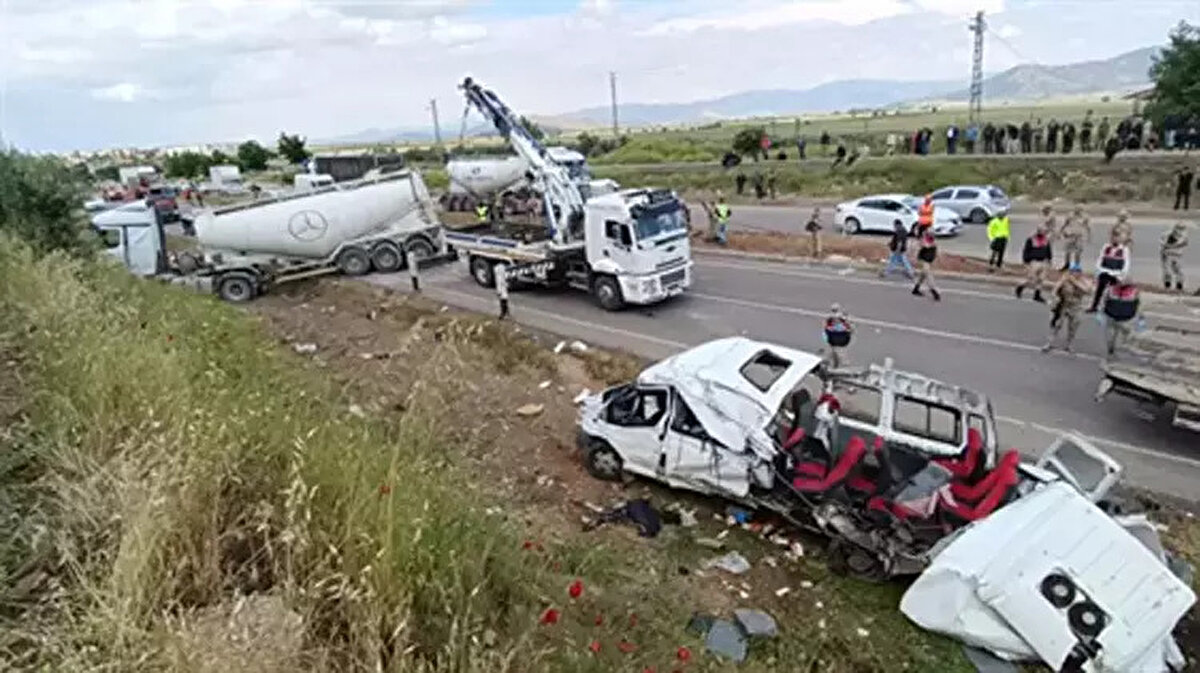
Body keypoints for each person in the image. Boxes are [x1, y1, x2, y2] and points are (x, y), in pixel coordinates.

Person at [1043, 263, 1091, 353]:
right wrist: (1054, 297)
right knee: (1057, 324)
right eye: (1073, 272)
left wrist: (1074, 282)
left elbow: (1086, 290)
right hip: (1064, 304)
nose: (1075, 274)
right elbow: (1055, 288)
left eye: (1077, 272)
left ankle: (1069, 344)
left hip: (1076, 306)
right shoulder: (1064, 279)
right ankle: (1049, 342)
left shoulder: (1084, 281)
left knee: (1073, 326)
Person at [1087, 231, 1131, 313]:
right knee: (1099, 289)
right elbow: (1100, 259)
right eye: (1113, 238)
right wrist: (1099, 271)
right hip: (1105, 271)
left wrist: (1121, 276)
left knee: (1114, 292)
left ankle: (1112, 308)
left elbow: (1126, 263)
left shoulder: (1124, 249)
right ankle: (1094, 306)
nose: (1115, 239)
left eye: (1117, 238)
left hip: (1116, 273)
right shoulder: (1106, 247)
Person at [1102, 280, 1142, 358]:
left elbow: (1104, 301)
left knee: (1117, 335)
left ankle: (1114, 349)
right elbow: (1138, 304)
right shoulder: (1111, 290)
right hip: (1118, 317)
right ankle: (1114, 350)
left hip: (1120, 317)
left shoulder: (1111, 289)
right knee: (1116, 336)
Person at [1016, 225, 1053, 303]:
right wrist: (1026, 262)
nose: (1044, 232)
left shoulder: (1046, 240)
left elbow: (1048, 251)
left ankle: (1037, 295)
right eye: (1042, 231)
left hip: (1043, 262)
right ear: (1038, 231)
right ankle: (1020, 287)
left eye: (1045, 231)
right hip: (1034, 262)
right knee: (1032, 279)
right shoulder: (1031, 239)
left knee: (1041, 280)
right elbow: (1026, 251)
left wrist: (1049, 260)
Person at [1058, 205, 1091, 271]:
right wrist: (1061, 232)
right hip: (1069, 235)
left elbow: (1088, 227)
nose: (1078, 210)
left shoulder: (1085, 217)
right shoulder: (1070, 215)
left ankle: (1076, 266)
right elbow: (1064, 224)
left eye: (1080, 209)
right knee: (1067, 251)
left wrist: (1089, 236)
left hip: (1079, 236)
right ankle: (1067, 265)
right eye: (1076, 209)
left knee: (1078, 252)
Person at [912, 228, 941, 301]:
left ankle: (916, 289)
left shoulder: (933, 240)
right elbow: (924, 246)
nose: (933, 235)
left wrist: (937, 257)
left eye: (933, 234)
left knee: (922, 275)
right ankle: (934, 291)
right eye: (931, 234)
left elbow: (936, 249)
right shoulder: (924, 240)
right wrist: (915, 258)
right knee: (928, 275)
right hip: (924, 260)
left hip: (929, 260)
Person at [1161, 222, 1189, 292]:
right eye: (1179, 228)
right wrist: (1165, 249)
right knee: (1167, 271)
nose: (1180, 230)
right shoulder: (1166, 235)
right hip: (1167, 255)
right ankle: (1167, 286)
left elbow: (1183, 244)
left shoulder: (1184, 237)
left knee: (1178, 270)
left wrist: (1169, 246)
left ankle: (1179, 287)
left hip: (1176, 255)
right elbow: (1162, 243)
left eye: (1182, 228)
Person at [823, 304, 853, 369]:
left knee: (835, 353)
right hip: (841, 340)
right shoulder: (843, 318)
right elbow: (850, 329)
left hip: (834, 340)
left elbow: (825, 330)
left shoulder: (829, 319)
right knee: (839, 354)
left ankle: (835, 364)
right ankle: (840, 365)